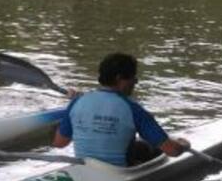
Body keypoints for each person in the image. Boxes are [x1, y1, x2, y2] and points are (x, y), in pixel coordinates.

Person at [53, 52, 189, 166]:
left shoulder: (77, 102)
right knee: (152, 148)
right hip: (119, 171)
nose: (135, 82)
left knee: (139, 145)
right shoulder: (133, 109)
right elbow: (172, 151)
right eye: (133, 77)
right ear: (119, 78)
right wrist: (183, 145)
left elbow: (59, 143)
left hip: (85, 166)